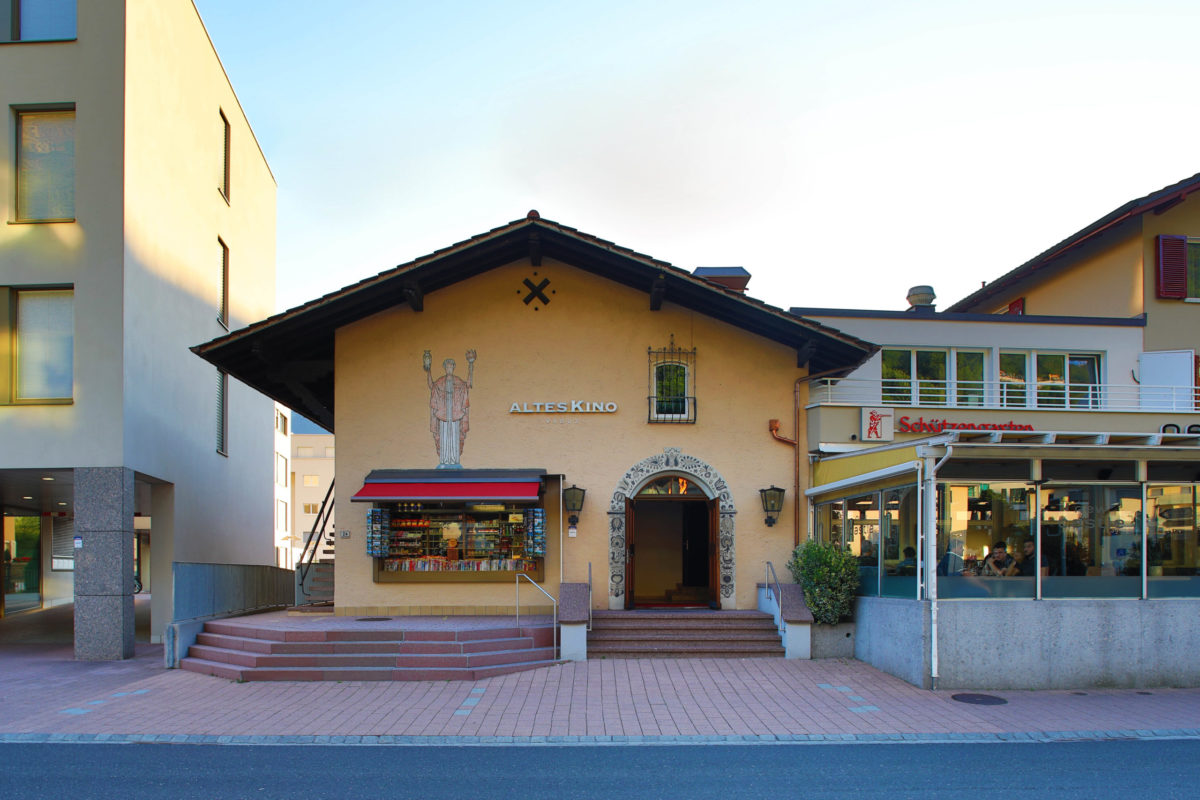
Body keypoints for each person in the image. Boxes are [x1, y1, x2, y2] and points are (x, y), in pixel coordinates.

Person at [424, 349, 476, 468]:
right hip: (443, 415)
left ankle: (454, 460)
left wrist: (471, 364)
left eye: (451, 366)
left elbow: (468, 384)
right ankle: (444, 460)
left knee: (455, 437)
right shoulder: (440, 382)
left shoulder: (458, 381)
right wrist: (428, 369)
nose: (449, 369)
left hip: (455, 415)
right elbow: (431, 385)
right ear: (445, 368)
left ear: (453, 368)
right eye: (447, 367)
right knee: (443, 437)